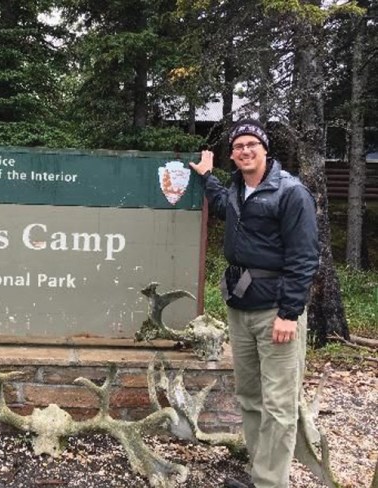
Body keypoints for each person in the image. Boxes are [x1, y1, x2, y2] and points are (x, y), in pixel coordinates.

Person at [189, 119, 319, 488]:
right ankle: (259, 473)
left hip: (276, 311)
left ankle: (269, 484)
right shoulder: (236, 190)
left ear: (265, 149)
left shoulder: (291, 192)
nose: (245, 150)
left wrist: (290, 313)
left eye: (252, 144)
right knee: (249, 396)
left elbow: (305, 257)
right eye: (239, 146)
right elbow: (221, 205)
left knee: (278, 404)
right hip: (240, 308)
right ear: (233, 154)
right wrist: (205, 176)